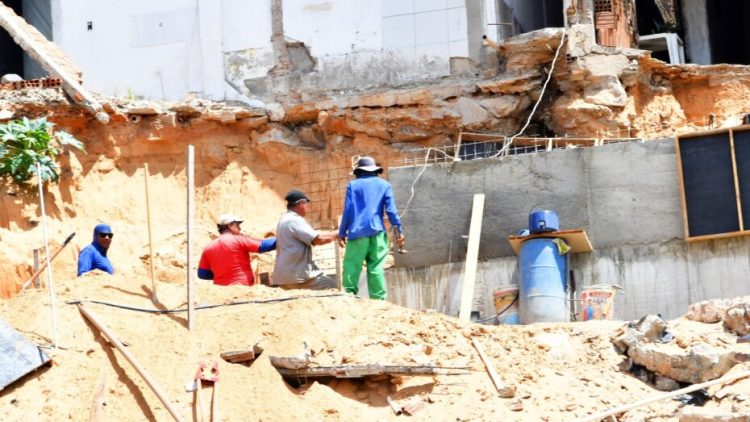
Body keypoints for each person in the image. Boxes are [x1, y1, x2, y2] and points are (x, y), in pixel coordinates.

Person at [338, 156, 404, 300]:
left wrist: (342, 232)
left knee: (352, 265)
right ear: (375, 171)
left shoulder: (353, 185)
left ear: (359, 171)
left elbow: (348, 210)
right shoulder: (384, 185)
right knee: (376, 267)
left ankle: (348, 295)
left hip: (357, 233)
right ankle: (379, 300)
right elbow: (392, 210)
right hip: (377, 232)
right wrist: (399, 231)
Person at [271, 190, 339, 291]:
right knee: (331, 287)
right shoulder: (294, 220)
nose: (308, 207)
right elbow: (318, 239)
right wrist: (339, 233)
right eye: (307, 203)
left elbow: (314, 235)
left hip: (285, 276)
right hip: (296, 276)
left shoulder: (285, 218)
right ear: (301, 203)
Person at [197, 213, 276, 286]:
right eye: (237, 225)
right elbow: (265, 246)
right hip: (242, 288)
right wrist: (284, 236)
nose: (240, 228)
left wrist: (221, 275)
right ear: (230, 225)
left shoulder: (208, 247)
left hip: (220, 290)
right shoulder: (238, 240)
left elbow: (202, 274)